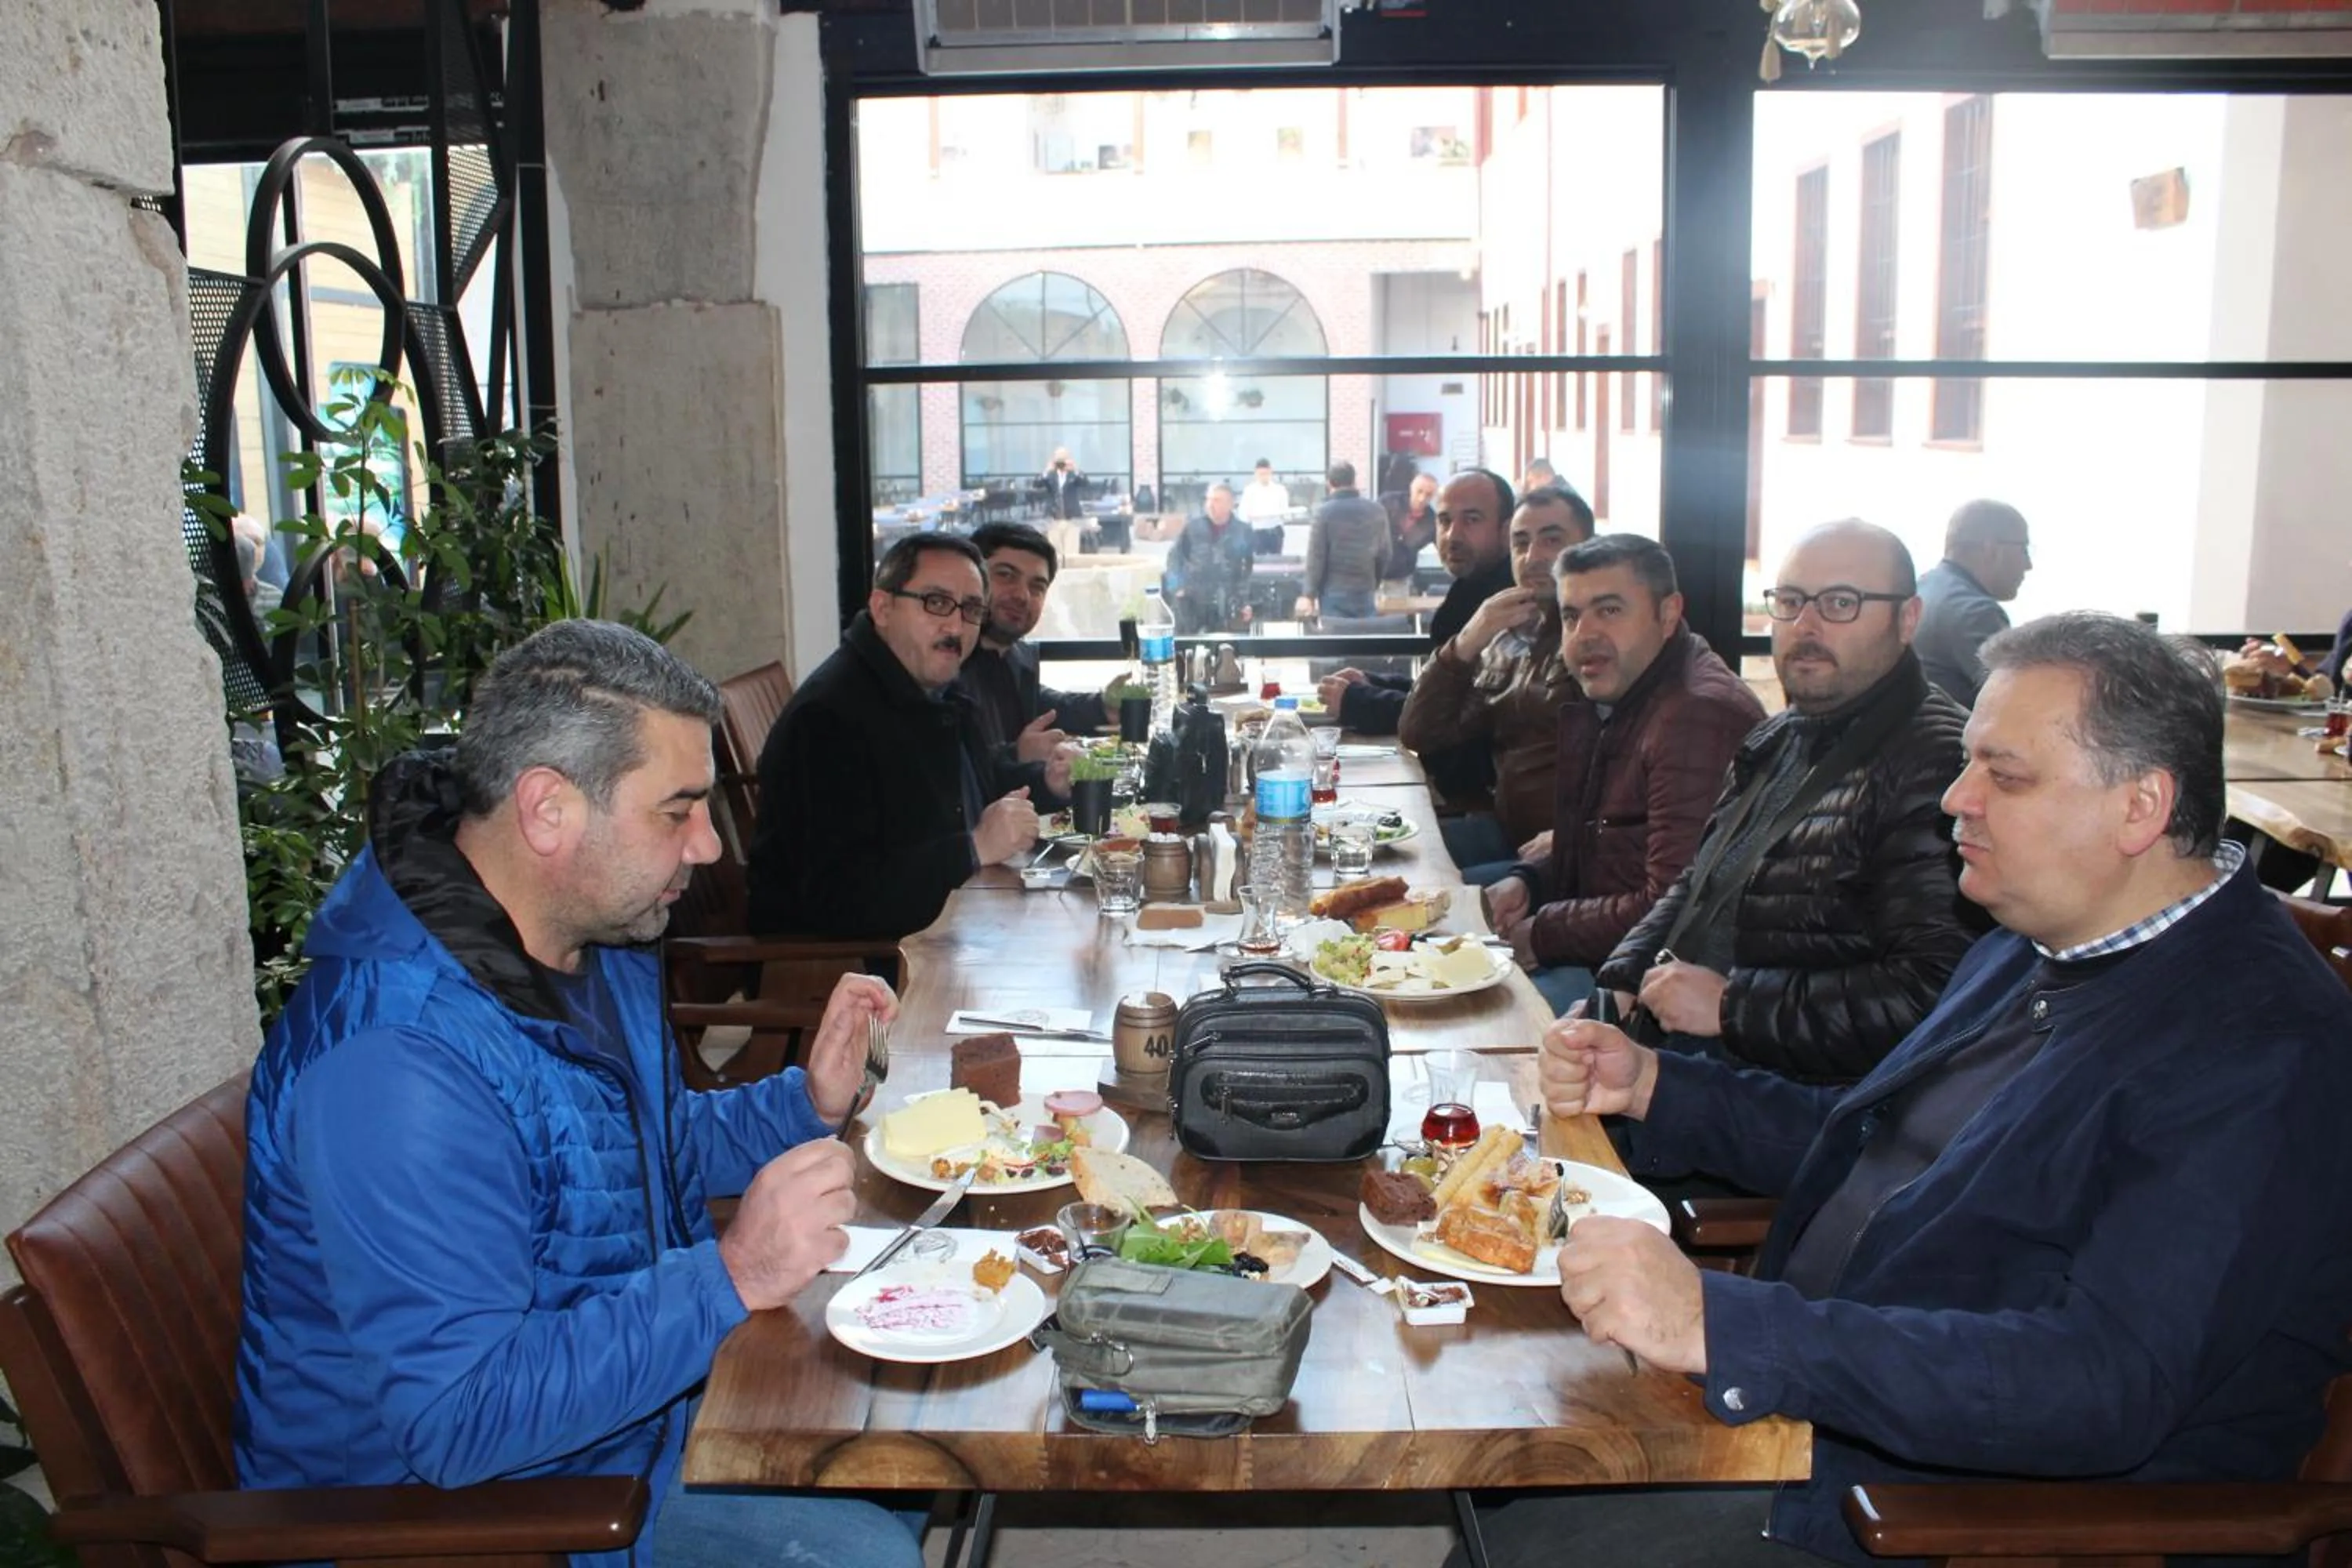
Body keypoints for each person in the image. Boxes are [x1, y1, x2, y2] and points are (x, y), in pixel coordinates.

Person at [1479, 612, 2352, 1568]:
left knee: (1526, 1537)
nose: (1955, 798)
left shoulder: (2257, 1046)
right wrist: (1653, 1083)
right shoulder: (2034, 944)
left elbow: (2102, 1383)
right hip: (1836, 1414)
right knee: (1501, 1449)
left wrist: (1725, 1323)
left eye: (2004, 775)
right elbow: (1881, 1143)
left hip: (1968, 1518)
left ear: (2140, 807)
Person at [235, 619, 927, 1568]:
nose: (710, 848)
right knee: (869, 1544)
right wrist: (727, 1277)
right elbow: (457, 1419)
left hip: (620, 1423)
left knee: (910, 1425)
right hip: (477, 1518)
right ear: (548, 809)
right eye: (677, 810)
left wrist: (802, 1101)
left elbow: (632, 1152)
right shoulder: (399, 1065)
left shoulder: (579, 939)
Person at [1596, 520, 1975, 1085]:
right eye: (1791, 601)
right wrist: (1619, 983)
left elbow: (1935, 993)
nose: (1806, 626)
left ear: (1908, 619)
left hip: (1780, 1104)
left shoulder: (1937, 764)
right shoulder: (1784, 734)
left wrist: (1732, 1007)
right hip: (1676, 1049)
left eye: (1841, 603)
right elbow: (1700, 882)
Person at [1484, 535, 1764, 1014]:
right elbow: (1611, 844)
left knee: (1466, 1018)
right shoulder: (1632, 690)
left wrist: (1544, 931)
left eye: (1609, 611)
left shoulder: (1696, 714)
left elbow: (1673, 907)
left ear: (1668, 612)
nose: (1584, 635)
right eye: (1572, 616)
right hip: (1609, 956)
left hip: (1653, 995)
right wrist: (1530, 881)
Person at [749, 534, 1039, 942]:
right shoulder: (829, 719)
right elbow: (838, 898)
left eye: (972, 609)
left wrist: (1049, 783)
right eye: (936, 603)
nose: (955, 626)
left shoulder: (933, 687)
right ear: (882, 607)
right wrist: (973, 849)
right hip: (849, 972)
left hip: (949, 927)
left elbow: (969, 789)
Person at [1399, 485, 1595, 879]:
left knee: (1418, 896)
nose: (1533, 557)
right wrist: (1470, 638)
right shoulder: (1511, 635)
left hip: (1570, 856)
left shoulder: (1600, 640)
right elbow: (1420, 732)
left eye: (1552, 540)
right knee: (1375, 858)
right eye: (1520, 543)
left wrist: (1575, 837)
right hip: (1506, 833)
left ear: (1589, 548)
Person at [1318, 468, 1517, 811]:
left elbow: (1463, 721)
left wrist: (1360, 701)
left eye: (1471, 520)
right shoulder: (1471, 589)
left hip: (1482, 811)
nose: (1452, 534)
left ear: (1506, 528)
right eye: (1443, 520)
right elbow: (1448, 692)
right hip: (1456, 797)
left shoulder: (1508, 605)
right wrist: (1377, 683)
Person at [956, 522, 1100, 806]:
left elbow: (1042, 699)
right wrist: (1017, 754)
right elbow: (949, 773)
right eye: (1006, 575)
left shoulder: (1015, 655)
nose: (1022, 596)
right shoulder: (943, 661)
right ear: (972, 578)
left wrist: (1102, 705)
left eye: (1037, 586)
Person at [1914, 498, 2032, 706]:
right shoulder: (1976, 613)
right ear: (1991, 549)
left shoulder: (1920, 590)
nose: (2028, 565)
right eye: (2023, 549)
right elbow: (2019, 703)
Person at [1295, 459, 1388, 622]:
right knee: (1365, 639)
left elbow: (1316, 557)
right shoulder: (1377, 511)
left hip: (1333, 593)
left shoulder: (1323, 513)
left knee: (1336, 642)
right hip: (1365, 589)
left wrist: (1308, 594)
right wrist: (1374, 582)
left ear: (1329, 483)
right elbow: (1385, 553)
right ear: (1354, 481)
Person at [1162, 481, 1258, 635]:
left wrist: (1245, 601)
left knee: (1225, 647)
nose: (1211, 505)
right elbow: (1175, 557)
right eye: (1209, 500)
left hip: (1226, 599)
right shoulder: (1193, 527)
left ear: (1230, 504)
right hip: (1192, 598)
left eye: (1217, 500)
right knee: (1186, 647)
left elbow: (1246, 570)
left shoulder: (1243, 531)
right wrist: (1177, 587)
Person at [1377, 470, 1440, 593]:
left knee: (1397, 612)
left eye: (1428, 495)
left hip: (1400, 578)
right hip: (1372, 575)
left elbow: (1444, 548)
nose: (1422, 498)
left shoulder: (1432, 521)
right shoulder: (1388, 502)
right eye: (1419, 491)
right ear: (1411, 488)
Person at [1036, 446, 1090, 560]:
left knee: (1072, 554)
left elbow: (1086, 483)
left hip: (1072, 519)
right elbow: (1036, 483)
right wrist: (1047, 470)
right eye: (1058, 460)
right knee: (1055, 554)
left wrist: (1075, 469)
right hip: (1053, 519)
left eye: (1063, 459)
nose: (1061, 464)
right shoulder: (1050, 475)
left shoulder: (1073, 475)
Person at [1236, 458, 1290, 528]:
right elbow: (1243, 514)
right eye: (1261, 474)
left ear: (1271, 472)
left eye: (1266, 474)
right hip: (1256, 529)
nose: (1264, 477)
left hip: (1275, 529)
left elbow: (1285, 512)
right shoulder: (1249, 491)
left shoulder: (1280, 490)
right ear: (1256, 473)